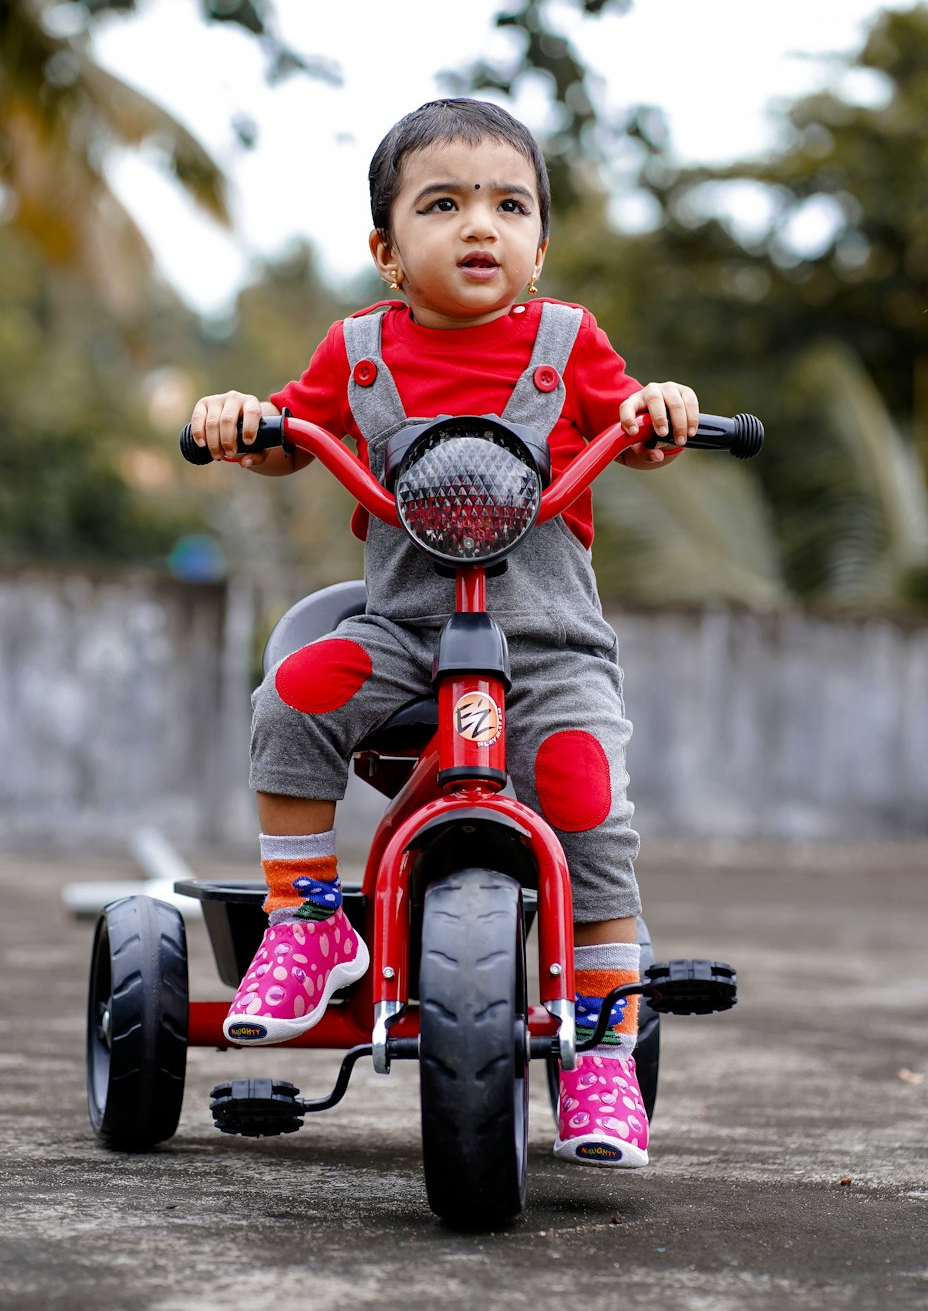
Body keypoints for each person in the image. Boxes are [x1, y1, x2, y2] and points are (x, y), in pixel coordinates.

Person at [189, 97, 699, 1170]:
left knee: (583, 799)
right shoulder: (359, 351)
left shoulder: (571, 344)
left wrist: (659, 410)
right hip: (405, 633)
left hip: (546, 650)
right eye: (444, 204)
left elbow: (633, 434)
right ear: (386, 250)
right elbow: (294, 436)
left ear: (540, 245)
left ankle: (603, 1040)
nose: (481, 226)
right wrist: (246, 423)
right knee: (294, 693)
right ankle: (308, 916)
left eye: (509, 206)